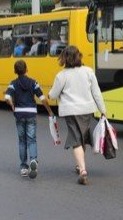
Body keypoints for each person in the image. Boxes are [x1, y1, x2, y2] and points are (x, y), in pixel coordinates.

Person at [48, 45, 107, 185]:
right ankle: (80, 165)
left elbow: (53, 94)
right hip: (87, 110)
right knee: (82, 136)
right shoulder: (88, 71)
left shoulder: (61, 75)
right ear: (79, 56)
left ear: (64, 58)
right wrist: (103, 110)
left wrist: (50, 95)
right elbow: (96, 93)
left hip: (71, 111)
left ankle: (83, 171)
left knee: (76, 139)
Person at [5, 60, 54, 179]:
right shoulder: (33, 82)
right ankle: (33, 159)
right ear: (27, 70)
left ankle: (23, 167)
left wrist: (12, 106)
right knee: (32, 139)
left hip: (19, 114)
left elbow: (7, 97)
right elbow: (43, 99)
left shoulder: (13, 83)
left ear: (15, 71)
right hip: (31, 113)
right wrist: (50, 111)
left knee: (22, 141)